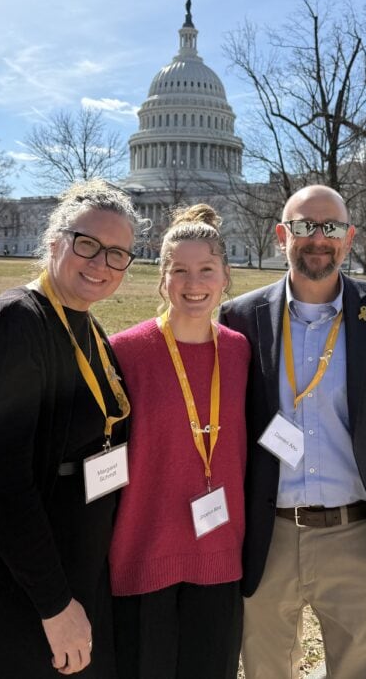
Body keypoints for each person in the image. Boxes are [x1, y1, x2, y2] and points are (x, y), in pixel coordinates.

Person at [218, 184, 366, 679]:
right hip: (268, 538)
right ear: (282, 235)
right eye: (303, 226)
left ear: (349, 237)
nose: (317, 238)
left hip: (362, 537)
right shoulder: (240, 318)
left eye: (331, 228)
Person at [0, 180, 140, 678]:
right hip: (23, 582)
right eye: (87, 244)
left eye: (117, 254)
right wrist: (55, 605)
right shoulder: (15, 321)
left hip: (77, 561)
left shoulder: (90, 328)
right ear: (55, 241)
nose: (100, 264)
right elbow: (5, 485)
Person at [107, 204, 249, 679]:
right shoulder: (126, 350)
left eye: (206, 269)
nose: (194, 283)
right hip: (143, 548)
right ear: (162, 278)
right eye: (180, 270)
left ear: (225, 276)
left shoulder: (239, 350)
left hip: (220, 552)